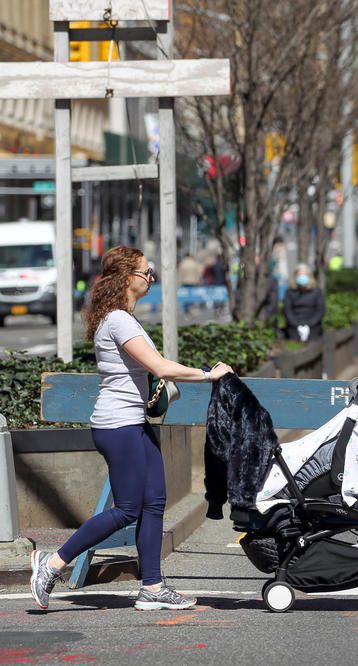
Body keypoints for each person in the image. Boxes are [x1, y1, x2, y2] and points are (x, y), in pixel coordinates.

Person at [29, 246, 234, 612]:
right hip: (117, 426)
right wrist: (208, 374)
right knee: (127, 509)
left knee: (153, 502)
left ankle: (152, 587)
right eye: (145, 271)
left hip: (133, 423)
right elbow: (161, 366)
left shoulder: (121, 317)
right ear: (128, 278)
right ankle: (53, 564)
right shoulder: (118, 321)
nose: (150, 277)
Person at [284, 263, 325, 342]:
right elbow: (287, 310)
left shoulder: (316, 291)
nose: (302, 277)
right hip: (294, 325)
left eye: (304, 274)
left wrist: (309, 324)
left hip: (313, 325)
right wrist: (296, 324)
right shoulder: (290, 292)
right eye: (300, 275)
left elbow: (320, 310)